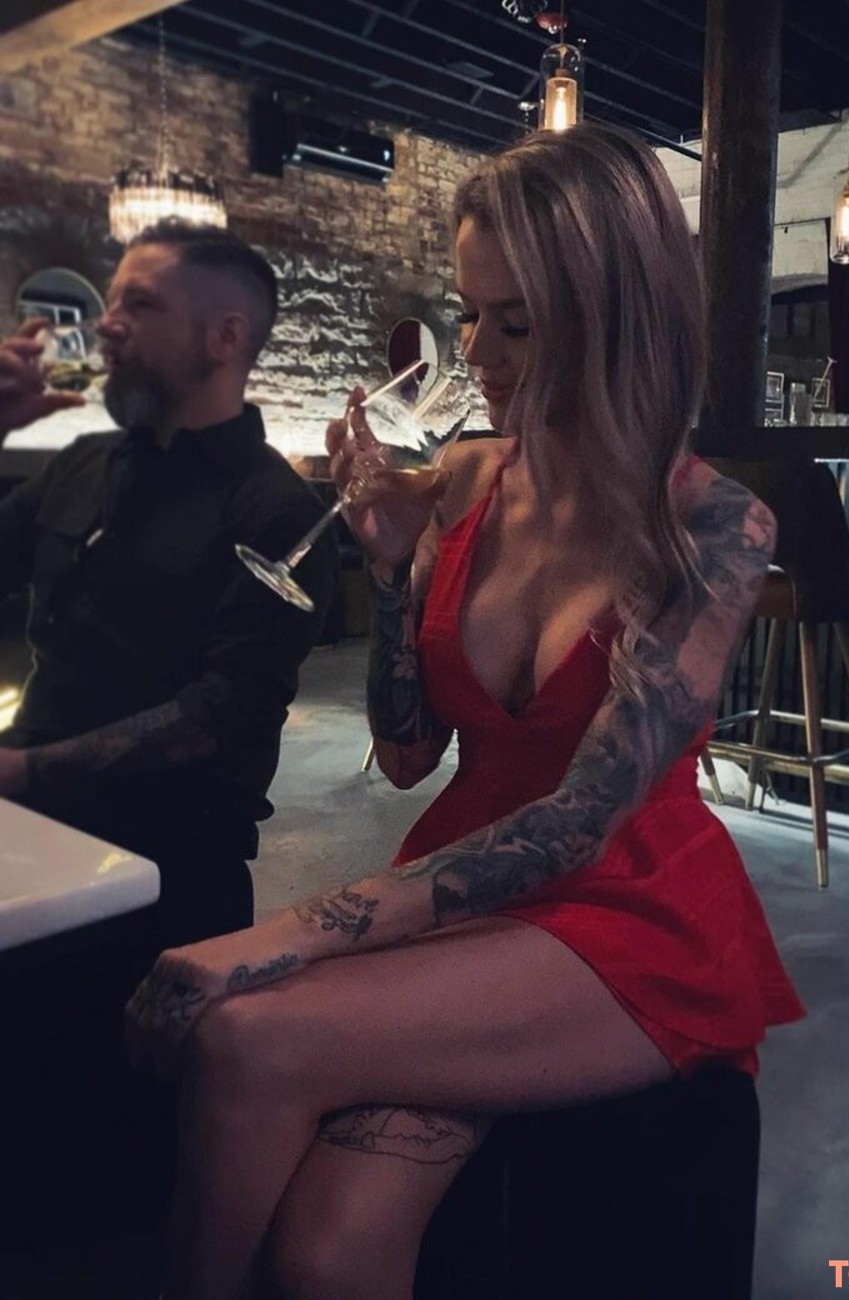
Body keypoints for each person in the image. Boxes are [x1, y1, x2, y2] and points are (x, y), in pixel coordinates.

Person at [127, 125, 805, 1300]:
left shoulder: (714, 525)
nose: (479, 354)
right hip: (465, 884)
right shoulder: (468, 480)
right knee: (328, 1250)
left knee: (246, 1034)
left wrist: (291, 933)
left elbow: (580, 824)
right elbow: (405, 753)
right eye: (471, 314)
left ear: (618, 315)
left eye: (519, 323)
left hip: (627, 914)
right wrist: (392, 573)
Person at [0, 221, 338, 1246]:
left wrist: (23, 769)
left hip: (164, 877)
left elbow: (222, 714)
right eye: (112, 300)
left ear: (224, 337)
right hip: (30, 841)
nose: (105, 323)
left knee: (104, 1181)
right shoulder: (83, 465)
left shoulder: (275, 508)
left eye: (138, 303)